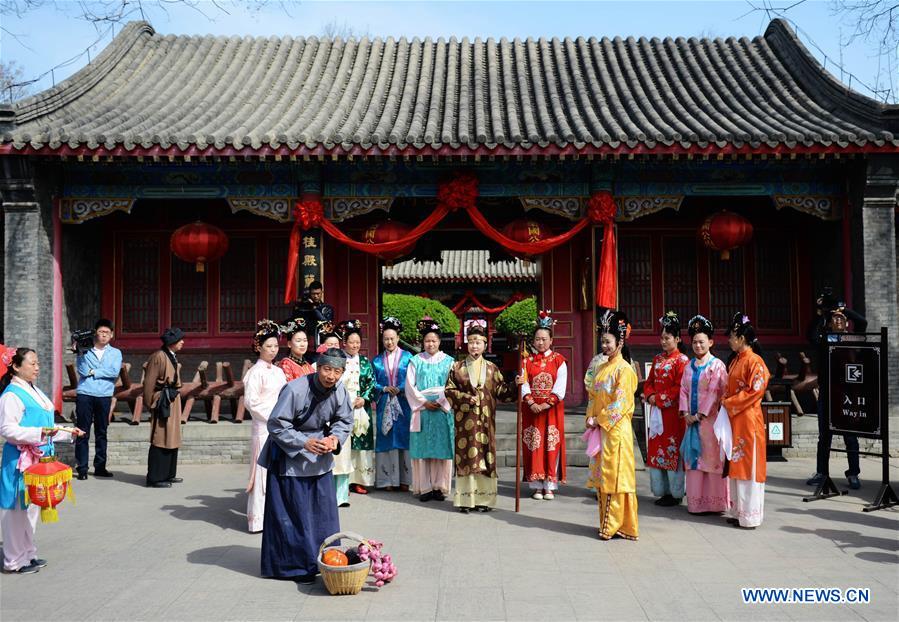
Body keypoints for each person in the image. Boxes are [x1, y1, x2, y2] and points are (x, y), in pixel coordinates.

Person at [258, 348, 353, 584]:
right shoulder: (295, 389)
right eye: (327, 369)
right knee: (294, 515)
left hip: (320, 455)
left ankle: (324, 559)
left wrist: (335, 439)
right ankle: (294, 566)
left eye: (337, 371)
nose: (331, 376)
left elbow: (344, 420)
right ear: (317, 367)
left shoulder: (340, 390)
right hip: (290, 457)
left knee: (323, 514)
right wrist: (303, 442)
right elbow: (277, 425)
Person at [1, 348, 84, 574]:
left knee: (31, 508)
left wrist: (67, 432)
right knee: (16, 510)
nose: (37, 367)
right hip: (20, 459)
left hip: (38, 458)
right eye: (32, 363)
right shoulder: (11, 395)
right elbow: (7, 429)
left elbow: (46, 425)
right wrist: (40, 433)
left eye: (37, 363)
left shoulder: (33, 390)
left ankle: (28, 554)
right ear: (16, 367)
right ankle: (13, 560)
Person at [444, 324, 519, 513]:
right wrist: (466, 398)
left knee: (485, 457)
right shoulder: (457, 367)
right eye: (471, 342)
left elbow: (502, 392)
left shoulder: (493, 369)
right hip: (465, 423)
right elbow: (449, 391)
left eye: (478, 342)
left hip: (486, 422)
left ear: (485, 344)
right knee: (466, 458)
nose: (474, 346)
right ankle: (465, 500)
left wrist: (515, 385)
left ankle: (484, 500)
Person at [586, 310, 639, 541]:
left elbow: (621, 403)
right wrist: (590, 418)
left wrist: (598, 420)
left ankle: (614, 524)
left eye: (608, 341)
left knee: (615, 479)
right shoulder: (601, 367)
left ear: (620, 342)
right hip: (602, 430)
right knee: (603, 478)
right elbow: (593, 396)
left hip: (616, 432)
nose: (604, 345)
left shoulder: (624, 370)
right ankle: (612, 523)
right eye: (602, 341)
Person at [806, 295, 866, 490]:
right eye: (835, 318)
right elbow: (810, 334)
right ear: (830, 322)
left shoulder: (853, 337)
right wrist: (822, 313)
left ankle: (853, 473)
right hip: (828, 394)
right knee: (825, 436)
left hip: (848, 395)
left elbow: (862, 321)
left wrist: (842, 310)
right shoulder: (824, 339)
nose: (838, 321)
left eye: (841, 319)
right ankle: (822, 472)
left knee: (850, 436)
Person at [722, 313, 770, 529]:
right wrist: (726, 399)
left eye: (732, 336)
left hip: (748, 421)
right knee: (736, 466)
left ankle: (749, 515)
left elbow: (756, 390)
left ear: (742, 338)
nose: (729, 340)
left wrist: (730, 402)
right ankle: (737, 510)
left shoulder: (755, 361)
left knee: (748, 468)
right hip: (735, 420)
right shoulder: (736, 361)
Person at [678, 315, 729, 514]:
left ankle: (715, 503)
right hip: (690, 422)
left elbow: (717, 392)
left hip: (710, 422)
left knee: (712, 459)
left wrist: (699, 414)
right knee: (694, 461)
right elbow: (683, 390)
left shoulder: (717, 366)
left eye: (702, 341)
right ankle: (696, 503)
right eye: (695, 342)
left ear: (711, 342)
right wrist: (685, 413)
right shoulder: (688, 366)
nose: (698, 346)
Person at [243, 320, 287, 533]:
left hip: (279, 427)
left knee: (277, 471)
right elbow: (251, 402)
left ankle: (275, 517)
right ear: (258, 347)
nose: (272, 350)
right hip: (263, 426)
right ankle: (257, 520)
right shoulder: (254, 373)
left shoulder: (279, 372)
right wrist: (273, 417)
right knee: (261, 472)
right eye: (268, 346)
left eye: (275, 346)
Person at [405, 317, 455, 502]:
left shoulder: (449, 361)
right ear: (422, 342)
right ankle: (424, 487)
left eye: (434, 340)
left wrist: (442, 402)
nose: (430, 344)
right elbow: (410, 386)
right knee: (423, 450)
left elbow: (452, 386)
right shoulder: (415, 361)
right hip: (422, 409)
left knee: (441, 449)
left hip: (442, 410)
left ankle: (440, 487)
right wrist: (423, 402)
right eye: (427, 341)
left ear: (440, 342)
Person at [643, 311, 690, 506]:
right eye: (661, 338)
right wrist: (651, 395)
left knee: (671, 449)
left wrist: (659, 399)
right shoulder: (657, 359)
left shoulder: (682, 361)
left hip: (673, 414)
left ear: (677, 339)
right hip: (657, 412)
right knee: (657, 449)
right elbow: (649, 382)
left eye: (667, 338)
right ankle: (662, 491)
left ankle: (676, 492)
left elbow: (680, 388)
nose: (663, 341)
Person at [520, 310, 568, 500]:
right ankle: (536, 485)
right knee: (534, 444)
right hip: (532, 410)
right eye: (537, 339)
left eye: (544, 338)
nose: (540, 342)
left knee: (551, 443)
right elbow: (523, 383)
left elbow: (560, 387)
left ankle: (549, 484)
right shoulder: (526, 361)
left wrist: (546, 404)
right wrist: (531, 402)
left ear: (551, 340)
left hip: (552, 411)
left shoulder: (559, 361)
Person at [73, 318, 121, 481]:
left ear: (112, 335)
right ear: (96, 333)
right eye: (101, 332)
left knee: (102, 431)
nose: (104, 335)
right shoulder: (85, 350)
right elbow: (82, 370)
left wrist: (94, 371)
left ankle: (100, 467)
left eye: (107, 332)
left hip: (104, 395)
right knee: (82, 431)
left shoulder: (116, 353)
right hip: (85, 394)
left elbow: (114, 372)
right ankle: (82, 468)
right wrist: (99, 371)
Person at [373, 317, 413, 491]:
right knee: (387, 438)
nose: (389, 342)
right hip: (385, 404)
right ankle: (387, 480)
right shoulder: (376, 361)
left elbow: (413, 379)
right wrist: (383, 388)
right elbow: (371, 382)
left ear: (398, 338)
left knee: (404, 439)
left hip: (403, 403)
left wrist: (401, 388)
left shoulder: (408, 357)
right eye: (386, 339)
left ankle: (405, 480)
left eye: (392, 338)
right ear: (382, 340)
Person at [336, 320, 376, 495]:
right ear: (345, 342)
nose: (355, 345)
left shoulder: (366, 362)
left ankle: (360, 480)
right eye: (351, 342)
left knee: (361, 443)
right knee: (346, 444)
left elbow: (372, 383)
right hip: (343, 407)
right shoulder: (338, 360)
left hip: (361, 407)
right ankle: (345, 480)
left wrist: (365, 399)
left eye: (358, 342)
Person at [144, 328, 185, 488]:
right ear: (172, 342)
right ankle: (155, 477)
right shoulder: (158, 357)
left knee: (172, 435)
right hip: (162, 401)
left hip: (172, 399)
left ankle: (168, 474)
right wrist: (151, 403)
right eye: (180, 339)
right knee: (160, 436)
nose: (183, 342)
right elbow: (149, 383)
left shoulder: (171, 356)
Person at [583, 351, 607, 494]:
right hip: (597, 407)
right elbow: (589, 384)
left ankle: (610, 486)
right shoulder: (597, 360)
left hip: (615, 414)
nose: (606, 345)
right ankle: (597, 484)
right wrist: (591, 416)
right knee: (597, 449)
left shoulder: (625, 363)